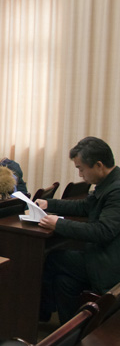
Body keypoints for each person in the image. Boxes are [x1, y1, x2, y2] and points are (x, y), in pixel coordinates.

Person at [37, 137, 120, 324]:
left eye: (81, 169)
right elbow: (84, 207)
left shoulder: (116, 190)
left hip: (109, 266)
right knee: (63, 282)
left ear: (98, 165)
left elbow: (102, 231)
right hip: (106, 256)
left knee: (53, 258)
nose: (81, 175)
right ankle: (72, 331)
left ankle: (42, 312)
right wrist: (49, 204)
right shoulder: (110, 182)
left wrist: (58, 224)